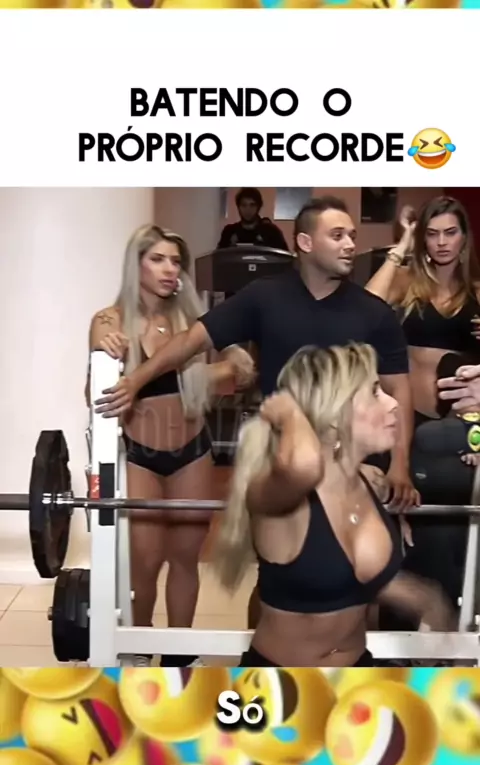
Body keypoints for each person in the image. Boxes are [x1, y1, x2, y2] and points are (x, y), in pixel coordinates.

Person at [94, 196, 418, 629]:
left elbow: (399, 390)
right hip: (283, 460)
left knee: (360, 578)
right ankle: (261, 654)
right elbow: (191, 342)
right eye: (337, 235)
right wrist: (135, 380)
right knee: (275, 578)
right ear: (305, 242)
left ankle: (348, 658)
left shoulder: (373, 313)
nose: (349, 245)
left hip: (353, 463)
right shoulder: (264, 297)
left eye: (352, 236)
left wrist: (400, 464)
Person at [212, 344, 454, 668]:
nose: (393, 402)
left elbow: (353, 578)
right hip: (283, 682)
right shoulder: (278, 494)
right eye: (375, 392)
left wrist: (424, 598)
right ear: (336, 414)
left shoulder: (369, 481)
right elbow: (304, 465)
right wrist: (289, 413)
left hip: (355, 674)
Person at [87, 224, 255, 667]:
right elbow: (95, 394)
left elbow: (242, 372)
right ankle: (141, 647)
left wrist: (212, 372)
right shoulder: (110, 322)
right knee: (145, 561)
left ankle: (179, 652)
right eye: (157, 259)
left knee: (185, 559)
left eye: (175, 261)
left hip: (191, 451)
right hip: (140, 454)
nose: (168, 269)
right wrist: (105, 356)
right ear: (136, 264)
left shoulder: (193, 323)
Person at [365, 195, 480, 629]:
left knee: (443, 538)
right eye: (432, 234)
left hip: (454, 429)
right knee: (396, 532)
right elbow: (365, 307)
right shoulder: (407, 282)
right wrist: (404, 243)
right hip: (403, 421)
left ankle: (445, 641)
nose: (441, 242)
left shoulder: (476, 293)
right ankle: (394, 644)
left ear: (464, 237)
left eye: (450, 232)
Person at [217, 188, 289, 251]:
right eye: (244, 205)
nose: (248, 210)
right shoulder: (229, 232)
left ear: (258, 207)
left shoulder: (271, 232)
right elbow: (218, 258)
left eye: (252, 205)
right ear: (238, 207)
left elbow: (284, 258)